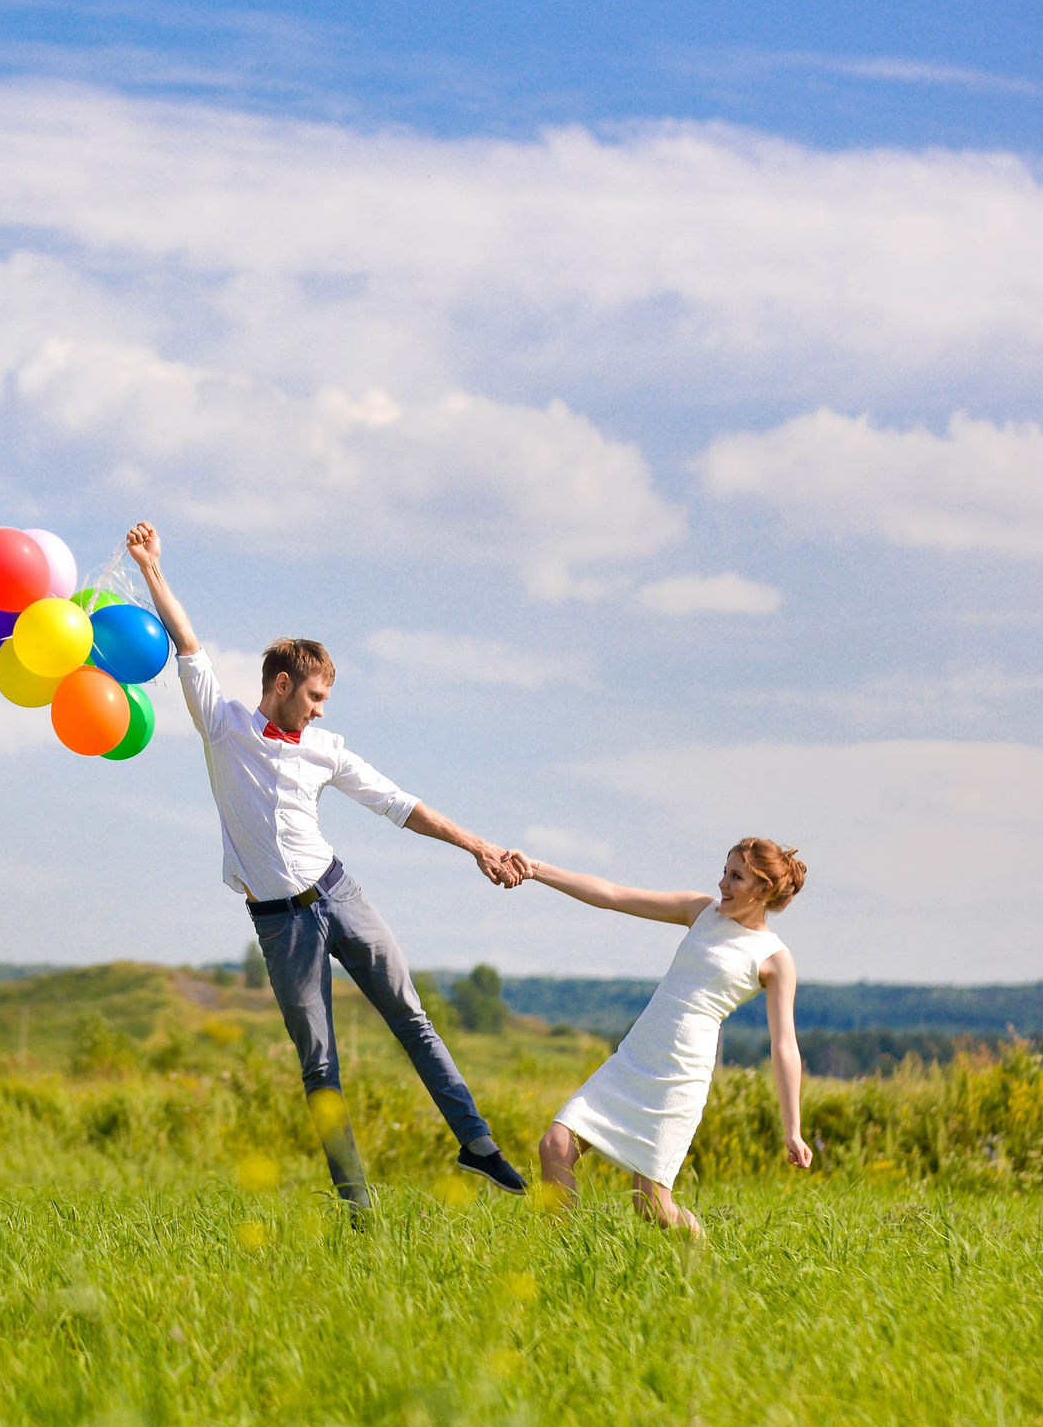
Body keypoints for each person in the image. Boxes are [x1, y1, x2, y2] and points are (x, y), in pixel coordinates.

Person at [126, 521, 533, 1208]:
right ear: (282, 683)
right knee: (320, 1063)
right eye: (313, 697)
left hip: (341, 895)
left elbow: (401, 805)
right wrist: (152, 569)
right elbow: (187, 644)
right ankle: (356, 1201)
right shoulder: (223, 726)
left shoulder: (329, 749)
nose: (318, 712)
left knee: (413, 1018)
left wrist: (479, 847)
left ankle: (479, 1144)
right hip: (280, 924)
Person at [528, 839, 814, 1234]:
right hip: (636, 1057)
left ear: (763, 889)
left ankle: (696, 1254)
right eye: (724, 871)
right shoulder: (700, 912)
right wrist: (535, 869)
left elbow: (784, 1046)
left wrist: (792, 1130)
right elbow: (612, 895)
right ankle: (558, 1256)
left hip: (681, 1075)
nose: (722, 883)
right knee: (555, 1147)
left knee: (651, 1207)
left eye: (735, 876)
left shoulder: (774, 958)